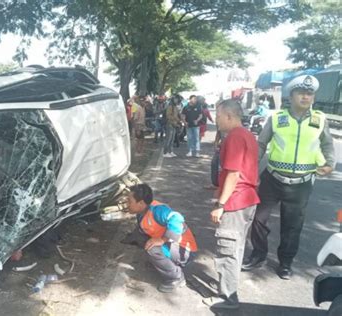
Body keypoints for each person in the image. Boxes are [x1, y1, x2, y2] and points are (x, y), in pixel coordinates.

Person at [242, 75, 335, 279]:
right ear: (291, 96)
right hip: (272, 178)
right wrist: (251, 170)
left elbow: (327, 144)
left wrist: (330, 164)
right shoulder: (277, 118)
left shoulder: (319, 120)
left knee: (292, 226)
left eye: (309, 93)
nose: (305, 97)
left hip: (301, 184)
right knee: (259, 220)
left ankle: (285, 263)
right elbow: (261, 144)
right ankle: (258, 255)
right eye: (301, 93)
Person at [203, 99, 260, 309]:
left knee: (227, 251)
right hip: (247, 200)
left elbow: (234, 174)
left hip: (236, 202)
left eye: (218, 116)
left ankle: (228, 299)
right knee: (236, 249)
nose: (216, 120)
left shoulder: (234, 137)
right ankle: (228, 291)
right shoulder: (247, 135)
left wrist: (220, 203)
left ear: (228, 116)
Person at [124, 183, 198, 293]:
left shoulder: (158, 210)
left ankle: (176, 277)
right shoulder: (142, 212)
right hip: (173, 246)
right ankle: (163, 263)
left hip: (184, 251)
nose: (127, 204)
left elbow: (177, 218)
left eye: (129, 201)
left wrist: (162, 240)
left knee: (153, 249)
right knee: (141, 239)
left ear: (141, 203)